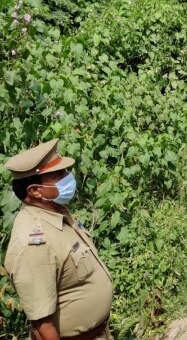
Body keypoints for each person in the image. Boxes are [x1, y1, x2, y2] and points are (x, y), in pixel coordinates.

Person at [4, 139, 113, 340]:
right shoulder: (33, 243)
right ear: (34, 190)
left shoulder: (55, 213)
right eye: (59, 175)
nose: (68, 177)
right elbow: (42, 324)